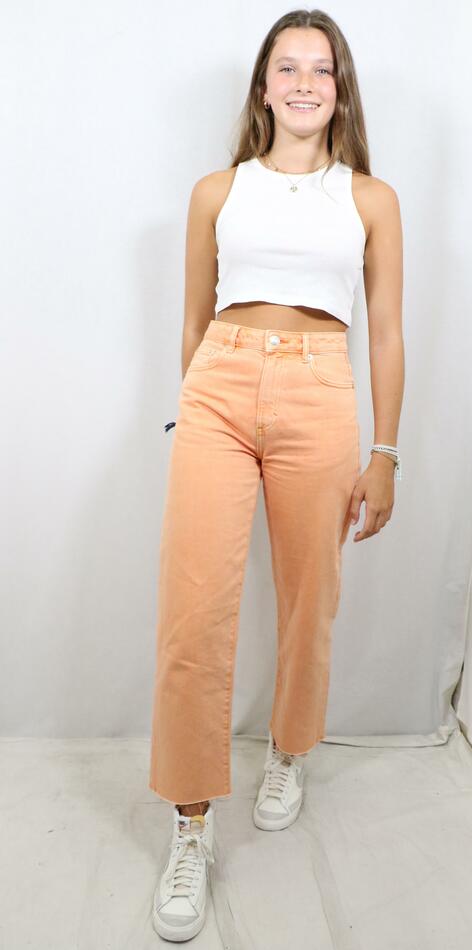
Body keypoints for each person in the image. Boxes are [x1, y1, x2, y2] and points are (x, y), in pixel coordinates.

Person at [150, 8, 404, 942]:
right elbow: (193, 319)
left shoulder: (369, 198)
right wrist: (194, 405)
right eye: (286, 68)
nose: (303, 83)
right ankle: (189, 823)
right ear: (263, 87)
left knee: (310, 596)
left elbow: (386, 333)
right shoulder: (217, 191)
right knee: (193, 609)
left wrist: (385, 454)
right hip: (217, 389)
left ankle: (289, 750)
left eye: (320, 70)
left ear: (341, 90)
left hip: (320, 392)